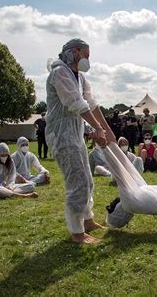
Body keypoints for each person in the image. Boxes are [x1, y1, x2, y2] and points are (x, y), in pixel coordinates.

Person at [46, 38, 116, 245]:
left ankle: (87, 220)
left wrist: (106, 130)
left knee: (87, 178)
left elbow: (91, 105)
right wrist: (96, 128)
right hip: (61, 135)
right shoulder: (59, 73)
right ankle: (77, 232)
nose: (87, 59)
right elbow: (76, 104)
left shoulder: (81, 78)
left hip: (75, 133)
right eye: (85, 54)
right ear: (74, 52)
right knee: (77, 181)